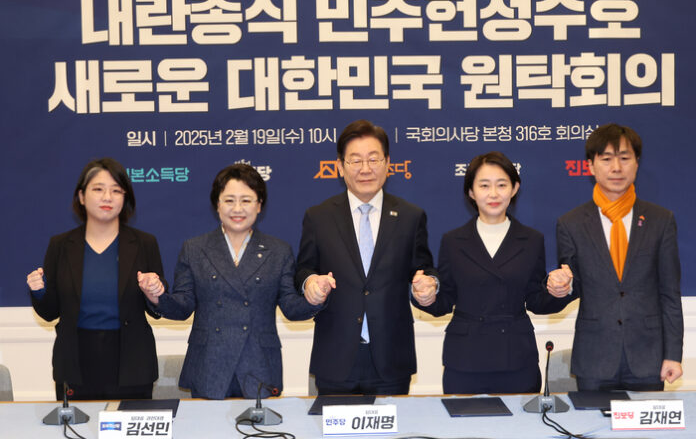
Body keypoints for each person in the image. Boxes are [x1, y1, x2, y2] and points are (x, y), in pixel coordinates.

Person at [141, 164, 320, 399]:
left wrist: (315, 297)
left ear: (259, 205)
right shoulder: (195, 249)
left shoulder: (278, 251)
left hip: (259, 365)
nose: (237, 209)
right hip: (209, 365)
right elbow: (182, 306)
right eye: (229, 200)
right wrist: (156, 297)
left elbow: (291, 307)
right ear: (217, 204)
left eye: (246, 200)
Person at [295, 119, 438, 395]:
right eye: (355, 160)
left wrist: (430, 284)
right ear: (340, 166)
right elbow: (304, 269)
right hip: (335, 357)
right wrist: (309, 282)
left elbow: (423, 269)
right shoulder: (319, 216)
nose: (365, 169)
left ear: (388, 163)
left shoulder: (410, 216)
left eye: (373, 159)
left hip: (391, 359)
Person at [413, 152, 573, 394]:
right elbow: (445, 299)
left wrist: (559, 291)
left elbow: (536, 299)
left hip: (516, 357)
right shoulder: (453, 241)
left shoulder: (531, 240)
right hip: (465, 359)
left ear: (515, 188)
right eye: (484, 185)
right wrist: (425, 296)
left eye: (502, 185)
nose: (494, 194)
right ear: (471, 192)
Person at [547, 123, 683, 391]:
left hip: (649, 358)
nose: (616, 168)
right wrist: (562, 285)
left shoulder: (661, 220)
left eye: (624, 158)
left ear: (637, 163)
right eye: (607, 159)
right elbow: (573, 283)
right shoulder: (571, 223)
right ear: (590, 166)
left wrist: (673, 354)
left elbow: (669, 293)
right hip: (594, 358)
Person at [27, 158, 166, 400]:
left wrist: (155, 293)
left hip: (131, 363)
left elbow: (157, 310)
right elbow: (50, 312)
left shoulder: (144, 243)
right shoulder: (61, 245)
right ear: (81, 196)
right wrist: (39, 291)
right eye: (98, 189)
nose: (107, 197)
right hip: (75, 362)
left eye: (116, 190)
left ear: (125, 198)